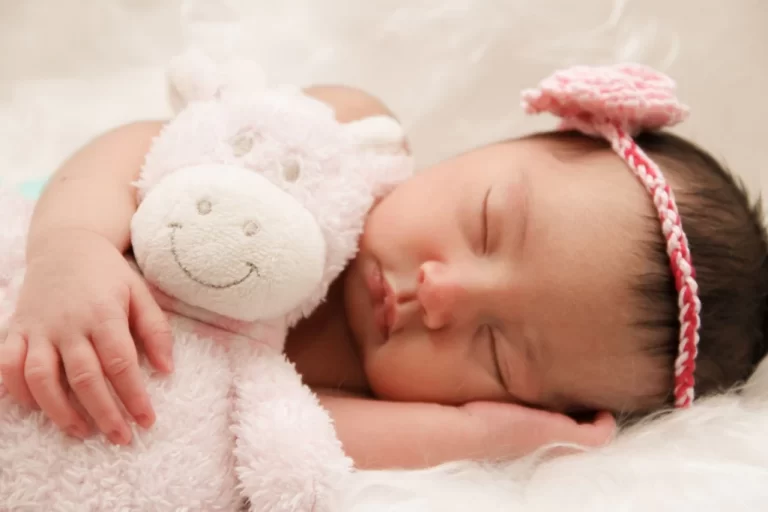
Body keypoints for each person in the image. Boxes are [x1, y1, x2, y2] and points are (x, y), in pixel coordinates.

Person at [0, 65, 766, 470]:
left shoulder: (373, 393)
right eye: (486, 223)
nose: (441, 294)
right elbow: (146, 146)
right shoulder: (349, 142)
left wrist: (479, 436)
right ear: (506, 143)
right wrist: (72, 246)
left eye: (497, 351)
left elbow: (280, 438)